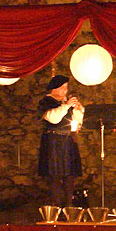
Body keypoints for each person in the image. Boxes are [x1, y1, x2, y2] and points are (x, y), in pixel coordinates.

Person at [37, 74, 85, 208]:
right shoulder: (46, 102)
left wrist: (79, 109)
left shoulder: (66, 102)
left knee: (70, 174)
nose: (65, 90)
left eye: (66, 87)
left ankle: (69, 204)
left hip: (68, 140)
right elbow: (53, 118)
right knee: (55, 174)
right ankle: (56, 205)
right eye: (62, 87)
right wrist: (65, 106)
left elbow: (78, 121)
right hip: (53, 141)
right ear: (54, 88)